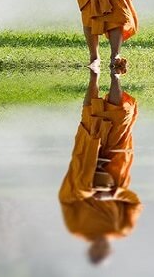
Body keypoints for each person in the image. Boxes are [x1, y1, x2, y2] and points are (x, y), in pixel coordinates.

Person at [58, 69, 142, 265]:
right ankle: (115, 76)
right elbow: (134, 202)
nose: (100, 246)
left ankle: (94, 73)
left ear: (90, 249)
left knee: (91, 117)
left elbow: (65, 198)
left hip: (86, 163)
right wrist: (112, 194)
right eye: (103, 250)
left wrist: (88, 191)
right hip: (115, 165)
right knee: (120, 117)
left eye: (96, 250)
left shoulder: (77, 228)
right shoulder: (122, 229)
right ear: (110, 250)